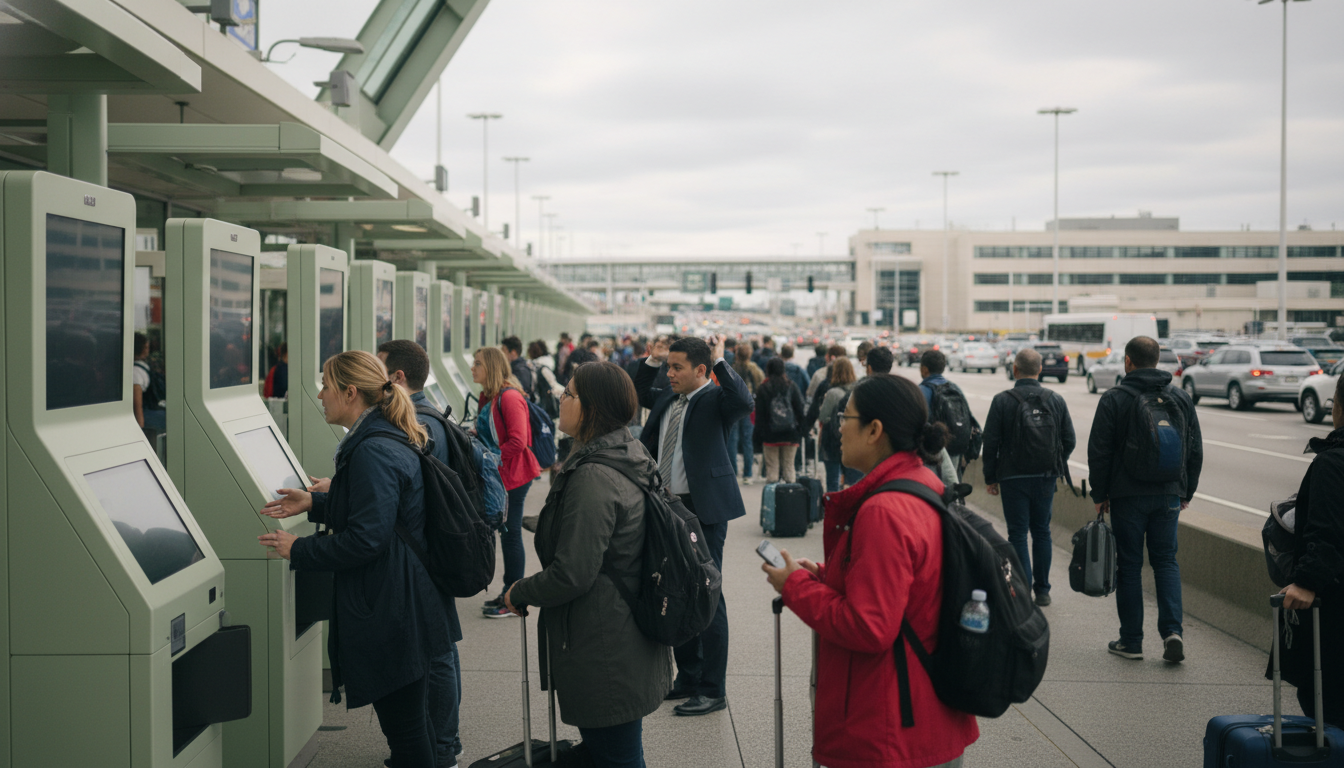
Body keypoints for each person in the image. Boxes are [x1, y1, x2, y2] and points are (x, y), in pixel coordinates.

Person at [761, 374, 979, 768]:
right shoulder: (920, 482)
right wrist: (832, 575)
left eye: (846, 415)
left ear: (874, 429)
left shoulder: (884, 510)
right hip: (923, 712)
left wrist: (795, 587)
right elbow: (907, 583)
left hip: (891, 727)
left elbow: (869, 626)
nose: (837, 426)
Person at [258, 350, 451, 768]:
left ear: (349, 392)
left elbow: (368, 538)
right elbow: (377, 511)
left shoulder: (372, 450)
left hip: (391, 606)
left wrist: (300, 549)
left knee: (406, 729)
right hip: (404, 596)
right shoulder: (379, 437)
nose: (320, 395)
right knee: (410, 723)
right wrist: (314, 503)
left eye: (326, 386)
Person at [504, 362, 671, 768]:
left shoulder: (593, 474)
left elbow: (573, 572)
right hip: (620, 632)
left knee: (616, 754)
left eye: (569, 394)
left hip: (605, 643)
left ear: (592, 408)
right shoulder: (626, 451)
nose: (560, 400)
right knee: (616, 750)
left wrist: (518, 590)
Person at [634, 334, 752, 717]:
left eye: (676, 367)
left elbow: (743, 401)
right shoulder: (668, 397)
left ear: (700, 370)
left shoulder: (716, 399)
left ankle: (713, 689)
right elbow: (638, 392)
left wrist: (720, 360)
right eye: (668, 366)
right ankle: (688, 675)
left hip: (703, 509)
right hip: (667, 507)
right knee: (675, 590)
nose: (670, 373)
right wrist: (652, 361)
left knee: (707, 594)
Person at [1087, 335, 1202, 662]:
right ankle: (1172, 632)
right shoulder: (1179, 398)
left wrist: (1100, 493)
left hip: (1127, 495)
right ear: (1157, 360)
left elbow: (1099, 452)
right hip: (1168, 493)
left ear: (1128, 361)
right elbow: (1194, 450)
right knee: (1166, 561)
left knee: (1130, 565)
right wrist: (1185, 490)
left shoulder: (1114, 399)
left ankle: (1131, 641)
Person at [377, 340, 465, 766]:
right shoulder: (429, 416)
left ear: (396, 377)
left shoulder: (421, 423)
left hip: (428, 553)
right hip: (433, 549)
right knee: (441, 646)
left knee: (439, 650)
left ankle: (444, 743)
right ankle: (443, 739)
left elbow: (420, 494)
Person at [981, 347, 1077, 607]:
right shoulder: (1055, 399)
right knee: (1042, 532)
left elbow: (990, 442)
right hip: (1045, 476)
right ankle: (1043, 590)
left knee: (1018, 534)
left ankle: (1022, 589)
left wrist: (991, 477)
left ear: (1014, 369)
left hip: (1013, 477)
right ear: (1040, 370)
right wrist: (1055, 462)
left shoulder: (1002, 400)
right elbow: (1069, 439)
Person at [1276, 373, 1344, 728]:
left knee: (1324, 699)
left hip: (1337, 609)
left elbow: (1327, 530)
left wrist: (1307, 581)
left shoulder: (1332, 464)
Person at [472, 346, 542, 619]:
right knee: (505, 532)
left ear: (490, 367)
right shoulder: (489, 396)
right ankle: (508, 593)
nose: (472, 368)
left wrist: (490, 458)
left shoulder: (509, 397)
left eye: (477, 363)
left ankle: (513, 598)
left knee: (510, 534)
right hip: (501, 475)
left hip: (514, 476)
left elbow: (518, 441)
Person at [752, 357, 806, 484]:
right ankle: (790, 498)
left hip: (770, 435)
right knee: (789, 468)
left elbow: (759, 416)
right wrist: (801, 431)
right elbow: (800, 410)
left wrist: (758, 439)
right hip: (790, 434)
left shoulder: (763, 388)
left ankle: (773, 500)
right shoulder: (791, 386)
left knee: (772, 471)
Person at [818, 357, 865, 491]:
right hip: (852, 439)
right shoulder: (858, 390)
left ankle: (833, 509)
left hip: (832, 441)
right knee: (852, 481)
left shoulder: (832, 393)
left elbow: (823, 416)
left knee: (832, 481)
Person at [727, 342, 764, 484]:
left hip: (733, 405)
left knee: (732, 439)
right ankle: (748, 474)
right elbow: (760, 385)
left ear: (737, 354)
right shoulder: (754, 369)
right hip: (749, 407)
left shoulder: (732, 367)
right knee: (747, 440)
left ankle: (733, 472)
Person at [132, 332, 166, 433]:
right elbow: (137, 405)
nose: (148, 350)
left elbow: (137, 404)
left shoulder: (135, 371)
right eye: (146, 347)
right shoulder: (138, 371)